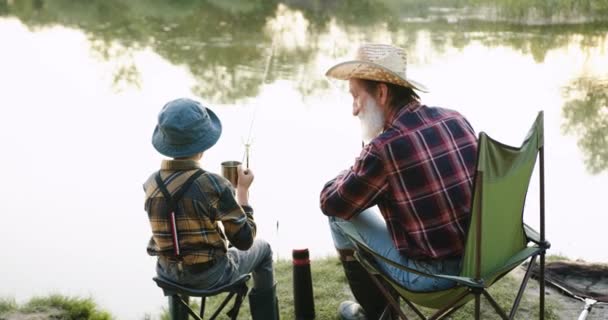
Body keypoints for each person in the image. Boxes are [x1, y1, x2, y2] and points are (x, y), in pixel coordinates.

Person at [320, 44, 478, 320]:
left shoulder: (384, 148)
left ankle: (377, 313)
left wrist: (359, 162)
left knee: (339, 219)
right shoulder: (456, 118)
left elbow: (331, 202)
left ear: (381, 92)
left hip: (431, 278)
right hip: (480, 261)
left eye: (356, 97)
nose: (354, 110)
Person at [143, 98, 279, 320]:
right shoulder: (212, 184)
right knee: (263, 250)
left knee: (178, 254)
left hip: (167, 274)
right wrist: (242, 192)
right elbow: (244, 241)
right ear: (204, 144)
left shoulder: (150, 184)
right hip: (211, 276)